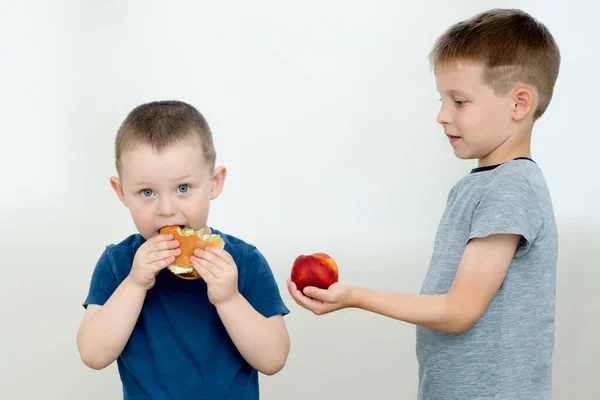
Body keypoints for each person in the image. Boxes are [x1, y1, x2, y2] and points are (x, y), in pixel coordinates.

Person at [288, 8, 560, 400]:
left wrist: (356, 296)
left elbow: (460, 310)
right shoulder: (482, 185)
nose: (441, 115)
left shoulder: (511, 188)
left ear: (518, 104)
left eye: (459, 101)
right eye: (441, 99)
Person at [77, 100, 291, 399]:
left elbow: (273, 360)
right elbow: (93, 354)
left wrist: (229, 299)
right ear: (122, 192)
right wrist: (135, 283)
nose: (166, 210)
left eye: (183, 188)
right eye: (147, 192)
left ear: (214, 183)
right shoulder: (119, 262)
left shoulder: (244, 260)